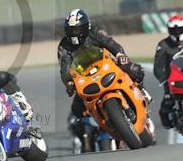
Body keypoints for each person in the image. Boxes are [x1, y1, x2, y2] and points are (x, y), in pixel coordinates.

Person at [58, 9, 149, 140]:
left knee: (133, 69)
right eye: (71, 30)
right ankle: (97, 123)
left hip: (107, 65)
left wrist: (119, 54)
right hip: (85, 77)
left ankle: (141, 90)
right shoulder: (64, 46)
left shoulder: (95, 32)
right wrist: (69, 82)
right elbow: (64, 67)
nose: (74, 33)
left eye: (76, 30)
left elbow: (110, 43)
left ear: (85, 27)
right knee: (77, 108)